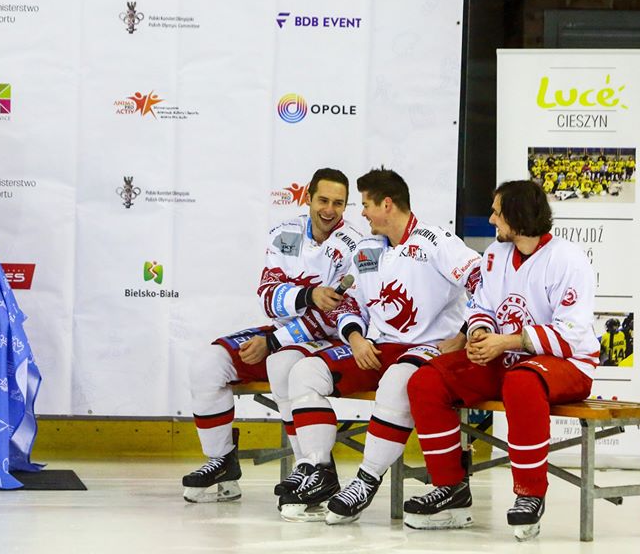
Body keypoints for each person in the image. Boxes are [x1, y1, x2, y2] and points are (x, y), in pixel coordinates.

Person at [274, 168, 481, 523]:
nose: (363, 213)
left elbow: (483, 281)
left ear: (387, 204)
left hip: (426, 349)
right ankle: (319, 470)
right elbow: (347, 304)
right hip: (378, 346)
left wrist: (463, 334)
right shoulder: (367, 249)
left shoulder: (437, 241)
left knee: (396, 383)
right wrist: (356, 338)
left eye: (366, 205)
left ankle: (366, 479)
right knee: (304, 372)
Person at [403, 180, 598, 541]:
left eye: (497, 212)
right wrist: (479, 334)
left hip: (569, 364)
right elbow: (482, 305)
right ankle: (450, 488)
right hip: (507, 358)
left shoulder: (568, 260)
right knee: (427, 381)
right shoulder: (495, 254)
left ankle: (529, 493)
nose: (491, 219)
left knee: (521, 383)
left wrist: (506, 341)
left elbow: (571, 333)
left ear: (517, 216)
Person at [181, 168, 365, 503]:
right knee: (208, 364)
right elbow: (268, 296)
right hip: (283, 333)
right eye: (323, 200)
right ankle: (222, 461)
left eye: (338, 203)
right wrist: (308, 296)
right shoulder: (285, 233)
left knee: (282, 364)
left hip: (329, 341)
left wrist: (275, 339)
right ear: (308, 198)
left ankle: (312, 468)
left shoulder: (355, 245)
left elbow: (335, 316)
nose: (329, 210)